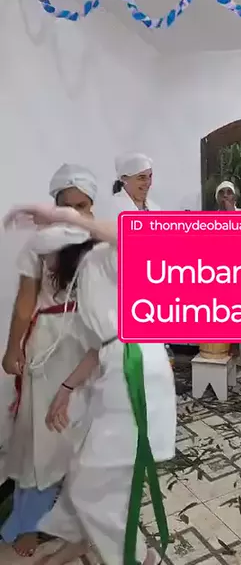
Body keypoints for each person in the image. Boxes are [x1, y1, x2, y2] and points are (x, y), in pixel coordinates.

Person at [2, 205, 177, 565]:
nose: (47, 267)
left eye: (49, 257)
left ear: (65, 253)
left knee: (91, 485)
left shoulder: (102, 258)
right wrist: (65, 391)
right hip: (116, 366)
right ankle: (81, 540)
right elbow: (97, 349)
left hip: (136, 370)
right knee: (87, 470)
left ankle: (137, 557)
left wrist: (70, 219)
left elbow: (139, 237)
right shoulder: (82, 283)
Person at [0, 164, 98, 558]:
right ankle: (28, 523)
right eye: (67, 205)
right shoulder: (39, 245)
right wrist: (12, 349)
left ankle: (77, 516)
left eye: (83, 205)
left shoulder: (99, 242)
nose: (75, 213)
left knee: (83, 435)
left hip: (89, 346)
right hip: (48, 345)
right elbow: (25, 303)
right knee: (42, 437)